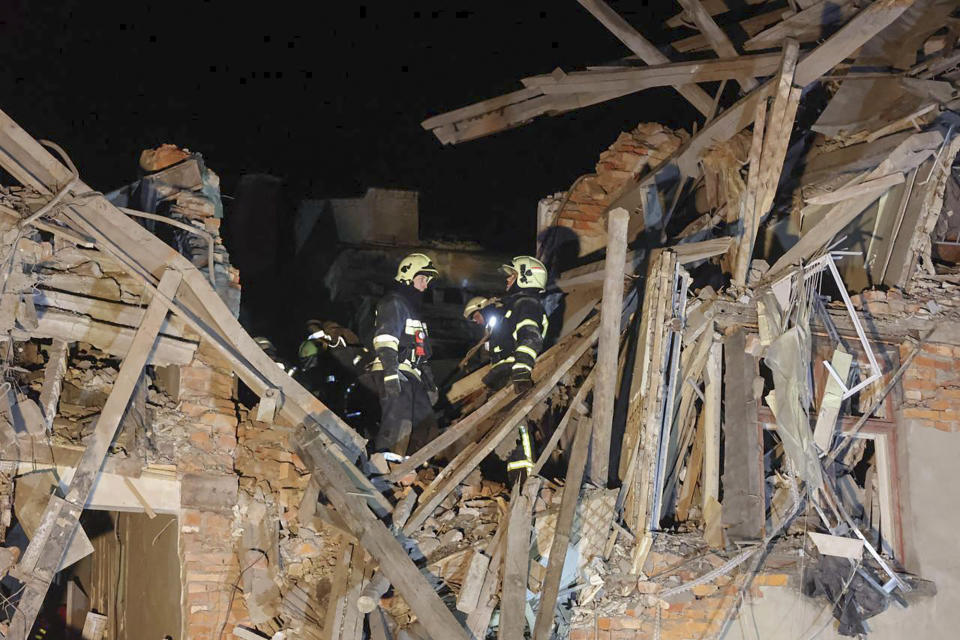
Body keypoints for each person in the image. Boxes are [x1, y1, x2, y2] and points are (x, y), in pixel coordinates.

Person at [481, 256, 549, 480]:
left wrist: (521, 371)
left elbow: (530, 338)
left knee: (518, 429)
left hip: (513, 374)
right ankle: (512, 481)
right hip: (503, 374)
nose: (508, 280)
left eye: (513, 275)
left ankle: (524, 481)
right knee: (506, 431)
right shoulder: (514, 306)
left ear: (526, 278)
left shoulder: (527, 305)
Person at [370, 253, 440, 454]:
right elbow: (385, 339)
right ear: (408, 276)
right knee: (398, 420)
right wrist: (391, 373)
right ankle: (385, 463)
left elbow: (422, 355)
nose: (425, 286)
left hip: (411, 375)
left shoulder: (414, 313)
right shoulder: (394, 302)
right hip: (394, 370)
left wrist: (430, 384)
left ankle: (410, 465)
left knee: (425, 423)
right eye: (422, 279)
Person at [457, 296, 502, 372]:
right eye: (475, 320)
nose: (477, 322)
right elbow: (485, 354)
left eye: (477, 317)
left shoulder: (501, 318)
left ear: (484, 310)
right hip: (496, 366)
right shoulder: (489, 328)